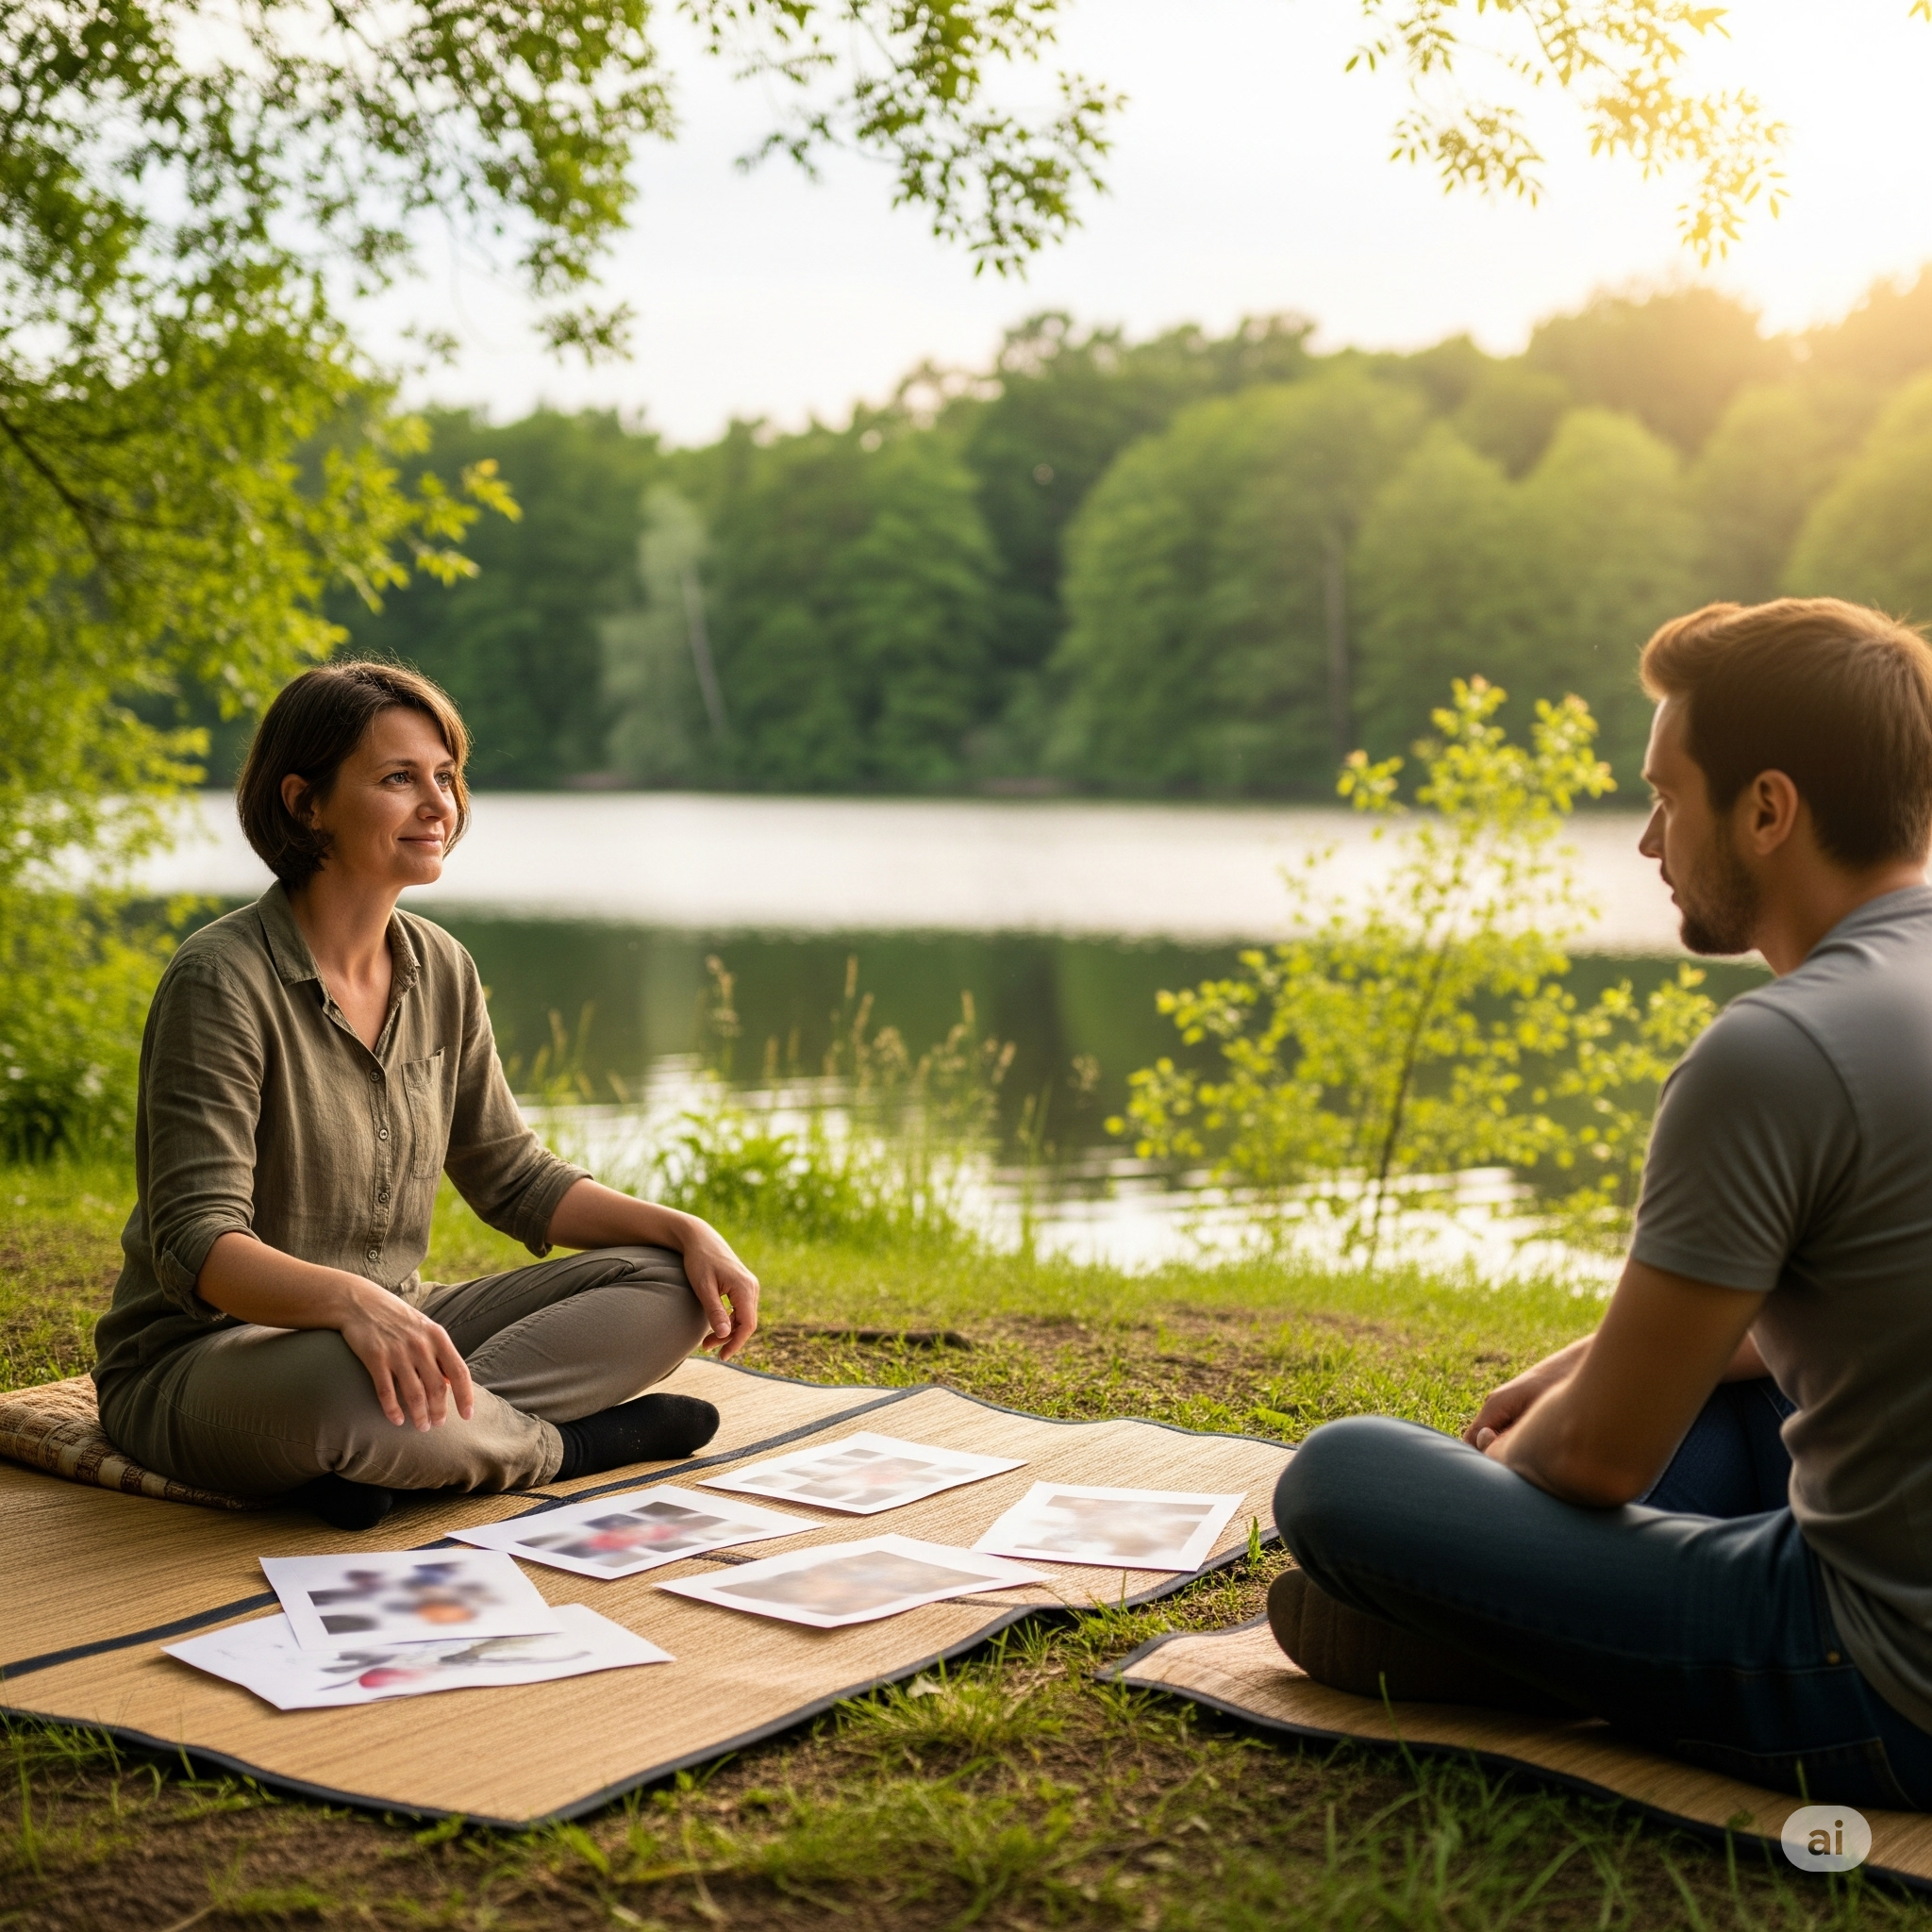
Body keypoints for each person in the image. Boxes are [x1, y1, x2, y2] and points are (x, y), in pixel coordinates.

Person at [1270, 597, 1932, 1808]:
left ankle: (1493, 1636)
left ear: (1767, 808)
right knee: (1735, 1413)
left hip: (1883, 1681)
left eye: (1665, 795)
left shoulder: (1777, 1047)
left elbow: (1599, 1457)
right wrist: (1589, 1359)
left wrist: (1507, 1481)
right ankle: (1524, 1621)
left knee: (1341, 1478)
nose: (1645, 840)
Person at [92, 661, 759, 1531]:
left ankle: (410, 1446)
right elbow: (199, 1244)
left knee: (670, 1286)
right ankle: (575, 1445)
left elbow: (514, 1178)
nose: (439, 805)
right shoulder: (220, 979)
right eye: (399, 779)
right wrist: (352, 1304)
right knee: (343, 1392)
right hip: (208, 1357)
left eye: (445, 778)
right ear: (306, 803)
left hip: (397, 1321)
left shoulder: (442, 967)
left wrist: (685, 1229)